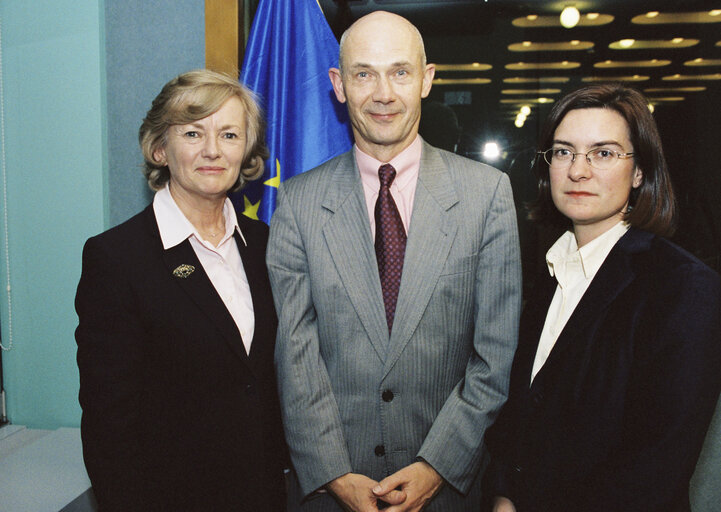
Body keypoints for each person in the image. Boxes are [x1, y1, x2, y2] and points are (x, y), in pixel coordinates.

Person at [267, 11, 521, 512]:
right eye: (364, 73)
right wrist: (336, 474)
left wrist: (436, 467)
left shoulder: (486, 194)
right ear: (338, 86)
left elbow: (495, 356)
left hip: (447, 491)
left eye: (400, 72)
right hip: (331, 493)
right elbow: (295, 358)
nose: (383, 93)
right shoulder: (297, 203)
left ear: (426, 80)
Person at [483, 83, 721, 512]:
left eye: (604, 153)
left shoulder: (684, 287)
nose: (578, 170)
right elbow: (521, 416)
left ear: (640, 171)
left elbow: (655, 464)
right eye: (563, 152)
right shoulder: (553, 273)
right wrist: (503, 497)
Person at [75, 69, 286, 511]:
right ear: (160, 148)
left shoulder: (267, 244)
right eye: (193, 132)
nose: (213, 150)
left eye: (229, 134)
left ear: (246, 150)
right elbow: (108, 425)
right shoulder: (116, 258)